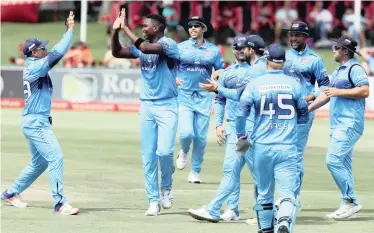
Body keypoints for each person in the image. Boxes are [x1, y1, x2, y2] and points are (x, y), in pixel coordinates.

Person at [1, 12, 80, 215]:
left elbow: (53, 53)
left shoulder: (34, 65)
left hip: (34, 121)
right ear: (34, 52)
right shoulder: (36, 67)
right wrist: (70, 30)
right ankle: (60, 203)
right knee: (56, 158)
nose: (46, 49)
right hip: (36, 122)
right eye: (42, 48)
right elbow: (57, 53)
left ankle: (11, 193)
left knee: (40, 162)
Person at [111, 9, 179, 216]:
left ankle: (166, 187)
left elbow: (148, 48)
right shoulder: (141, 46)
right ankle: (153, 200)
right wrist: (115, 32)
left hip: (167, 105)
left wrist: (126, 28)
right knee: (148, 156)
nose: (143, 28)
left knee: (165, 152)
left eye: (145, 26)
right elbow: (116, 53)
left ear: (156, 28)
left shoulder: (168, 44)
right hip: (147, 106)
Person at [236, 44, 309, 233]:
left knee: (264, 194)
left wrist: (241, 136)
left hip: (262, 147)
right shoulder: (294, 84)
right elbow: (304, 114)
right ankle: (284, 223)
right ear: (283, 62)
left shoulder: (255, 84)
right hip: (287, 147)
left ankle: (266, 229)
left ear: (266, 61)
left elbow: (241, 114)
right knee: (287, 195)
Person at [187, 35, 251, 222]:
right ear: (232, 50)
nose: (239, 50)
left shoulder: (255, 72)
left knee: (240, 170)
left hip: (249, 127)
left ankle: (216, 209)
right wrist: (219, 124)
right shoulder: (227, 73)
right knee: (232, 169)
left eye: (243, 46)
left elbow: (231, 94)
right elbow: (220, 100)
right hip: (233, 126)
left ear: (250, 49)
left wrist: (217, 88)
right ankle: (232, 209)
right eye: (236, 47)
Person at [308, 35, 369, 220]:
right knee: (343, 163)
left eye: (335, 48)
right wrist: (308, 107)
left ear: (344, 50)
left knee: (333, 160)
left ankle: (351, 201)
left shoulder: (355, 68)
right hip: (340, 124)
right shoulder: (339, 70)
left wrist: (339, 91)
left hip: (349, 123)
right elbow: (327, 94)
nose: (332, 50)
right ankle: (347, 205)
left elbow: (365, 90)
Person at [282, 21, 330, 206]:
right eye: (291, 35)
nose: (293, 38)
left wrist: (310, 97)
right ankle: (287, 196)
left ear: (306, 37)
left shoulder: (315, 59)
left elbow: (325, 86)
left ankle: (292, 198)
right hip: (282, 113)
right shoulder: (283, 56)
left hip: (303, 113)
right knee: (282, 154)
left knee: (295, 155)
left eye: (297, 35)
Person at [175, 16, 224, 183]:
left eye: (197, 26)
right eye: (190, 26)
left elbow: (221, 68)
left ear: (204, 29)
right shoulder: (180, 48)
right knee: (187, 132)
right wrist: (174, 77)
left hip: (203, 96)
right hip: (184, 94)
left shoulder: (213, 50)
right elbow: (169, 66)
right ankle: (183, 150)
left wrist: (219, 73)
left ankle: (195, 171)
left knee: (201, 138)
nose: (193, 28)